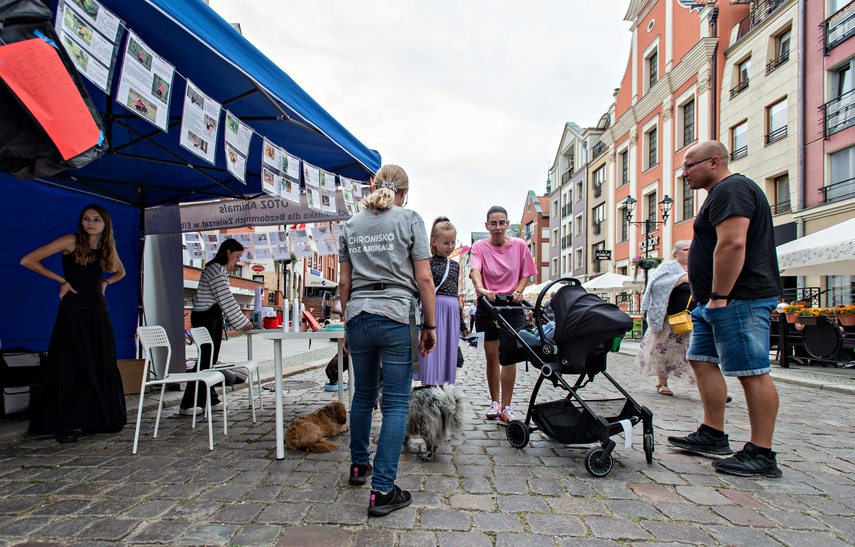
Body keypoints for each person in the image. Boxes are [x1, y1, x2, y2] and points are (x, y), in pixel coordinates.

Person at [667, 140, 783, 478]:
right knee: (701, 360)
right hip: (712, 301)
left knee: (752, 370)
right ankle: (712, 432)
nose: (684, 173)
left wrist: (719, 294)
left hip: (738, 298)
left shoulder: (731, 189)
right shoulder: (720, 193)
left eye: (689, 166)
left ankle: (762, 452)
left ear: (714, 161)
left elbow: (733, 243)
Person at [338, 164, 436, 516]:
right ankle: (382, 491)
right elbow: (424, 279)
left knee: (362, 395)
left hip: (359, 315)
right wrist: (430, 325)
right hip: (396, 313)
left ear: (372, 185)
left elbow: (344, 284)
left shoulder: (351, 225)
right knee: (395, 402)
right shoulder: (410, 219)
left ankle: (358, 466)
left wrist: (346, 323)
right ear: (404, 192)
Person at [21, 204, 127, 443]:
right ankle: (65, 423)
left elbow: (121, 272)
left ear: (105, 224)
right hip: (73, 311)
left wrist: (105, 284)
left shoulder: (106, 246)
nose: (90, 223)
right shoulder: (70, 241)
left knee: (98, 364)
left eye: (96, 219)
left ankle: (93, 419)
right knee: (70, 366)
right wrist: (61, 281)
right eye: (86, 218)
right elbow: (28, 260)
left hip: (99, 312)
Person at [470, 206, 537, 424]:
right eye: (493, 223)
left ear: (508, 224)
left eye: (501, 223)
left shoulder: (518, 245)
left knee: (510, 357)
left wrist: (519, 291)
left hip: (512, 306)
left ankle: (506, 407)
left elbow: (526, 273)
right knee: (492, 356)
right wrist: (482, 289)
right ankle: (494, 402)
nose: (497, 227)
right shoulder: (479, 246)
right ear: (486, 225)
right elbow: (475, 271)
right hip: (488, 305)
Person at [180, 239, 253, 414]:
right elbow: (225, 298)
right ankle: (188, 403)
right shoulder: (215, 270)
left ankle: (208, 399)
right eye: (236, 256)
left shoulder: (218, 270)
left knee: (210, 360)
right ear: (228, 252)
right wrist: (243, 322)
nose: (237, 261)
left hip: (211, 315)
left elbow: (224, 299)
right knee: (205, 360)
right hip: (206, 316)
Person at [635, 240, 696, 396]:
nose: (689, 252)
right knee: (663, 350)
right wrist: (679, 280)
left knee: (695, 352)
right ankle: (662, 383)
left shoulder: (697, 266)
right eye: (685, 249)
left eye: (691, 249)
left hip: (693, 317)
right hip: (670, 318)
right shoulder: (667, 267)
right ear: (675, 253)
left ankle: (709, 387)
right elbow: (656, 285)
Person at [415, 217, 469, 386]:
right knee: (431, 351)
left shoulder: (454, 265)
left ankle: (443, 387)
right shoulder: (426, 263)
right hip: (433, 307)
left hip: (451, 310)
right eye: (446, 243)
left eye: (453, 242)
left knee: (447, 351)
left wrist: (463, 325)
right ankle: (430, 385)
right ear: (434, 241)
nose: (451, 247)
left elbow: (455, 296)